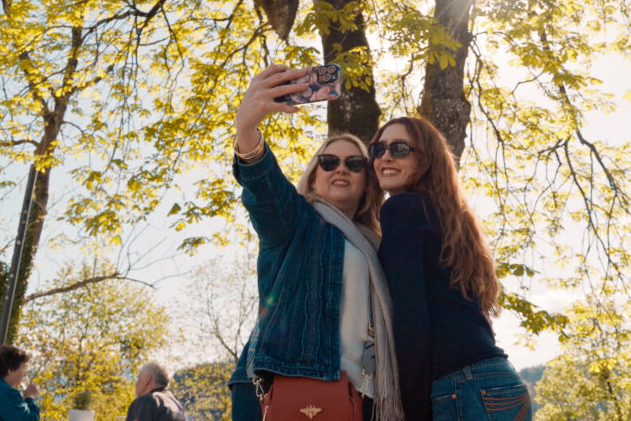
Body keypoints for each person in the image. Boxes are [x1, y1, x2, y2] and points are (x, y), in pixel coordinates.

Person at [227, 65, 403, 421]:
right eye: (328, 161)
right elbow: (265, 189)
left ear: (368, 181)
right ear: (313, 177)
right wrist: (247, 130)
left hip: (360, 394)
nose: (341, 168)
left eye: (354, 163)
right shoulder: (295, 223)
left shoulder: (379, 248)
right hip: (284, 386)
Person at [371, 116, 530, 421]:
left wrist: (412, 407)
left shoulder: (402, 210)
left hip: (462, 386)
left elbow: (411, 316)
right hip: (500, 381)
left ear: (425, 159)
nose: (386, 156)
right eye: (377, 149)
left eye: (400, 148)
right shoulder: (451, 218)